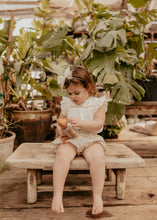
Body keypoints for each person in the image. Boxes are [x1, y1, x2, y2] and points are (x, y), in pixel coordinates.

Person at [51, 65, 108, 215]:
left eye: (77, 93)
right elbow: (61, 120)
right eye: (70, 93)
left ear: (88, 87)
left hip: (90, 138)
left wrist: (81, 123)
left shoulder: (97, 103)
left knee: (97, 157)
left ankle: (97, 196)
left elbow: (98, 123)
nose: (73, 97)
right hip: (71, 138)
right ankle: (57, 195)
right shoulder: (67, 103)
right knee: (62, 154)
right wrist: (61, 128)